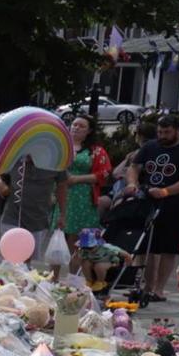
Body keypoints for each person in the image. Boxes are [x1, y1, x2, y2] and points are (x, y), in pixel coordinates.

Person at [131, 116, 179, 303]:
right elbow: (134, 166)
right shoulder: (150, 147)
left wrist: (166, 191)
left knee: (168, 248)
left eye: (167, 132)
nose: (162, 136)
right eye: (160, 132)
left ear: (177, 130)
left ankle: (159, 289)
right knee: (147, 247)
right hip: (147, 201)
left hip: (175, 205)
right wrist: (133, 184)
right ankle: (146, 286)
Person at [62, 116, 112, 279]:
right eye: (74, 124)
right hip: (63, 195)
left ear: (89, 131)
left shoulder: (96, 150)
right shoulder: (62, 146)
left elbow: (104, 174)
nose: (76, 128)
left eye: (81, 126)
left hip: (84, 197)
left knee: (81, 239)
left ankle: (77, 277)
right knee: (63, 237)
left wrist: (77, 179)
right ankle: (61, 276)